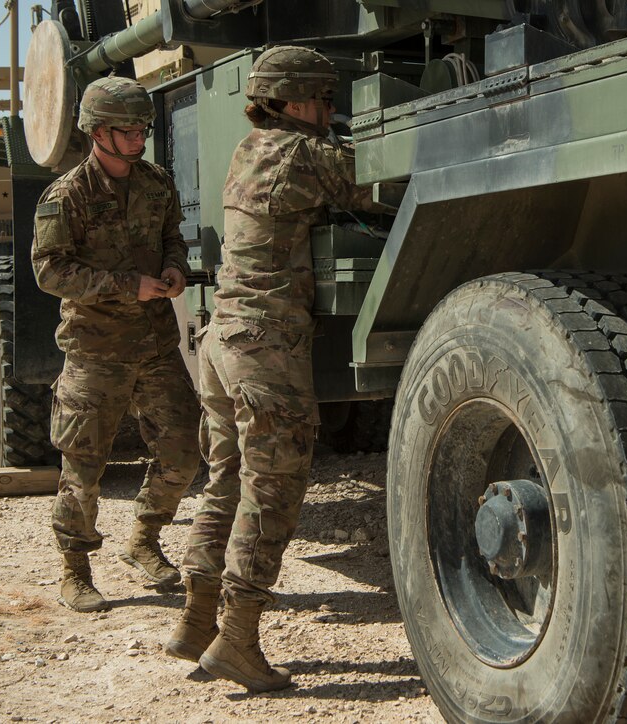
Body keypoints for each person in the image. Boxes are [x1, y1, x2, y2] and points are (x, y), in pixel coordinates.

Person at [163, 46, 382, 692]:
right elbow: (377, 184)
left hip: (221, 343)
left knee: (227, 482)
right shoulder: (299, 154)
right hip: (264, 347)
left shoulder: (246, 150)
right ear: (289, 102)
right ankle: (237, 640)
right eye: (321, 100)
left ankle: (196, 620)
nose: (328, 111)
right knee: (273, 488)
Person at [31, 76, 201, 613]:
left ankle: (144, 541)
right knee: (83, 467)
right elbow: (49, 270)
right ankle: (75, 572)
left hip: (155, 345)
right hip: (95, 349)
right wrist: (126, 286)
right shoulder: (67, 195)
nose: (138, 137)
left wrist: (175, 268)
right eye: (127, 129)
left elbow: (173, 234)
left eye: (142, 128)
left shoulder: (156, 183)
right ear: (96, 133)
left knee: (183, 453)